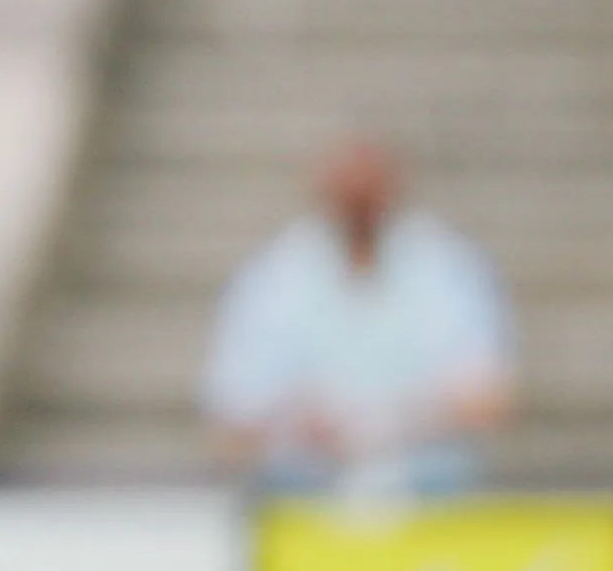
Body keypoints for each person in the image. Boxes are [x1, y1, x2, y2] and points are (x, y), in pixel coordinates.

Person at [202, 135, 513, 501]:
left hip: (427, 486)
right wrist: (298, 424)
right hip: (305, 488)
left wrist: (398, 422)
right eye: (349, 198)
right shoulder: (274, 277)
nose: (359, 209)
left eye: (368, 196)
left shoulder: (447, 270)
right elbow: (231, 413)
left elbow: (491, 398)